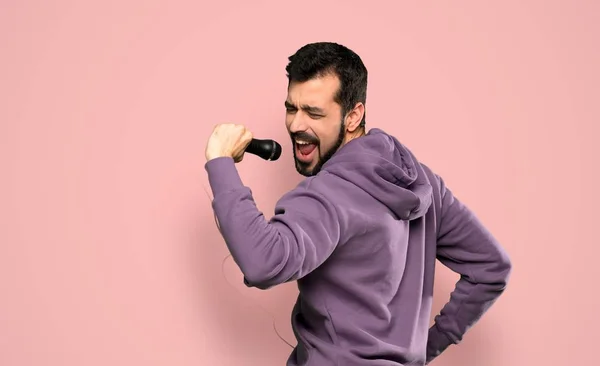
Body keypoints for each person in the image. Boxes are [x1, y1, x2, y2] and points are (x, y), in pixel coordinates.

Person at [204, 42, 512, 366]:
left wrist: (220, 160)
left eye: (313, 112)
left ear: (353, 116)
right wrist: (424, 349)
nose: (295, 125)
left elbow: (263, 262)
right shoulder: (422, 181)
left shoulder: (329, 194)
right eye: (291, 108)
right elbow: (491, 267)